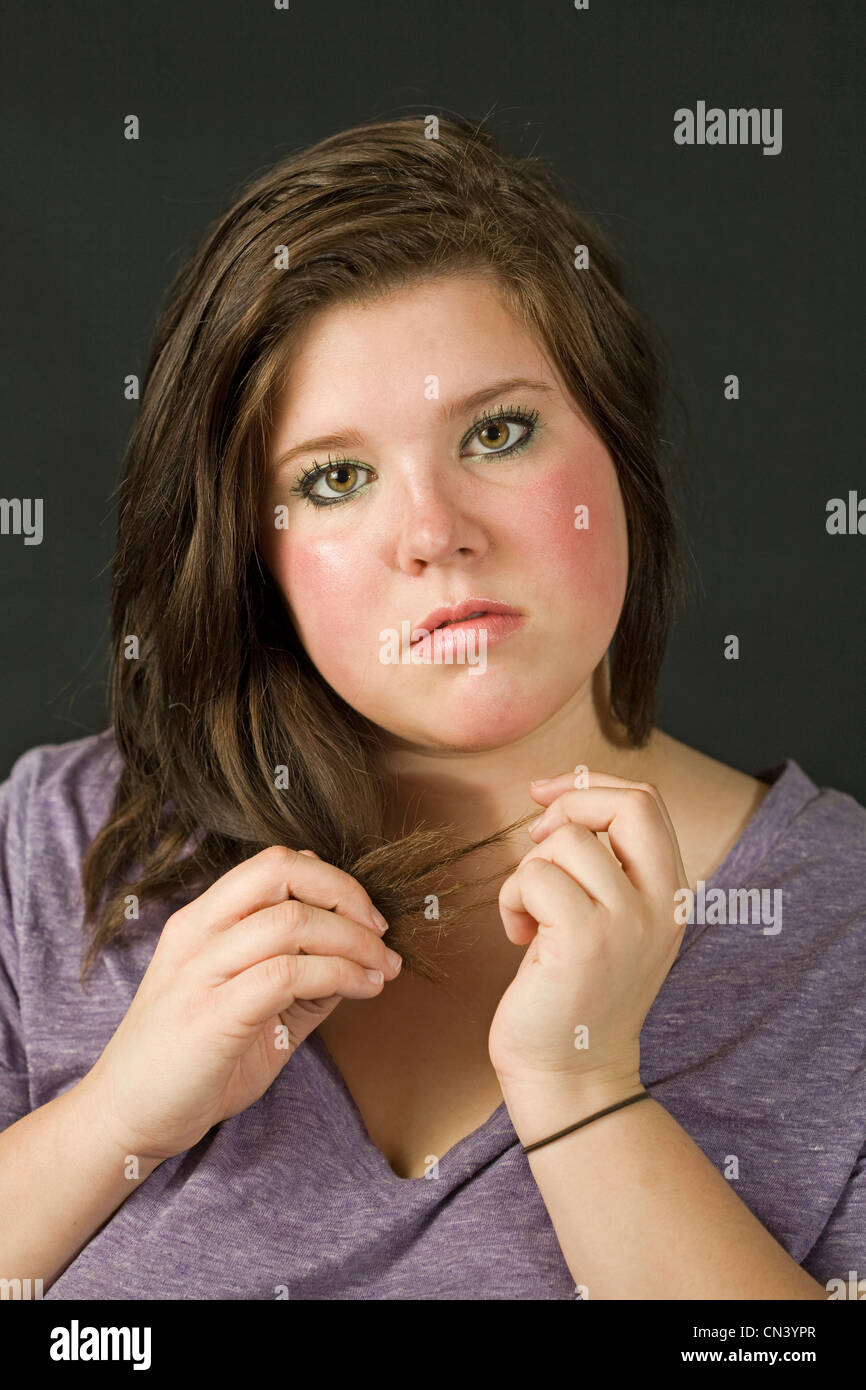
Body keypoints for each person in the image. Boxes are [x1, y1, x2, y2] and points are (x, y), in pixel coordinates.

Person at [1, 114, 863, 1301]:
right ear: (252, 545)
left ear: (616, 447)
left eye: (496, 433)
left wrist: (583, 1092)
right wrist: (114, 1117)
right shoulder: (54, 846)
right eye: (335, 477)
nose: (433, 533)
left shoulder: (843, 945)